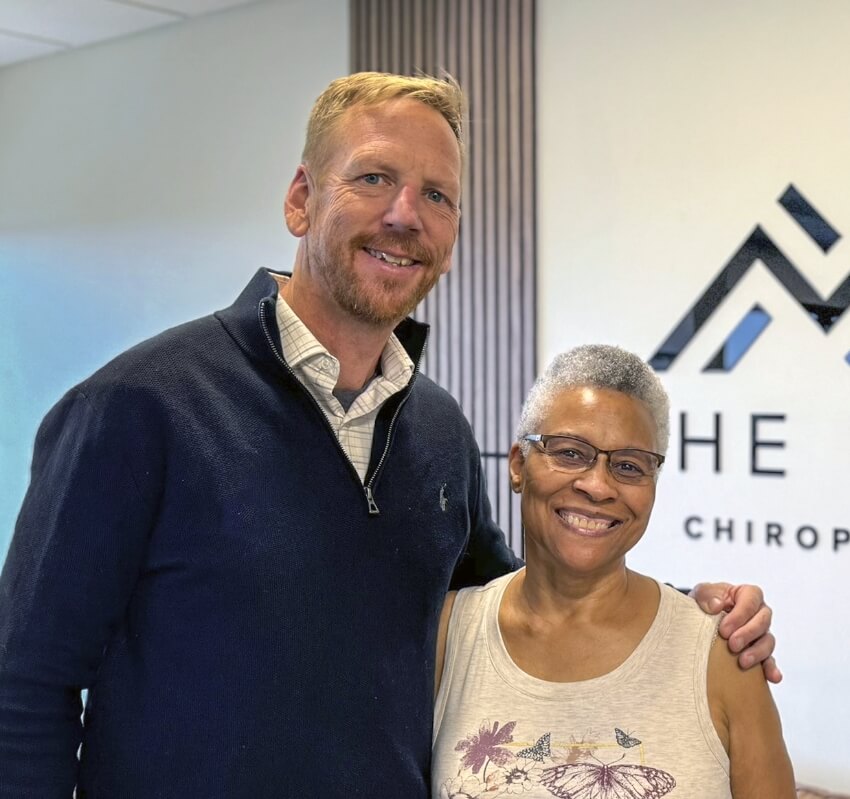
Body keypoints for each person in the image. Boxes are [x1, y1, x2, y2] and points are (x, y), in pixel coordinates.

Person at [0, 73, 775, 799]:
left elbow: (517, 602)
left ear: (452, 232)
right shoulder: (135, 409)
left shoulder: (435, 427)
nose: (406, 214)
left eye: (436, 195)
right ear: (301, 199)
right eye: (374, 178)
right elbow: (23, 689)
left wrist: (687, 615)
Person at [432, 344, 796, 799]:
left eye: (628, 466)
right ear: (519, 466)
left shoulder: (721, 652)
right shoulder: (448, 634)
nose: (598, 486)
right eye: (569, 453)